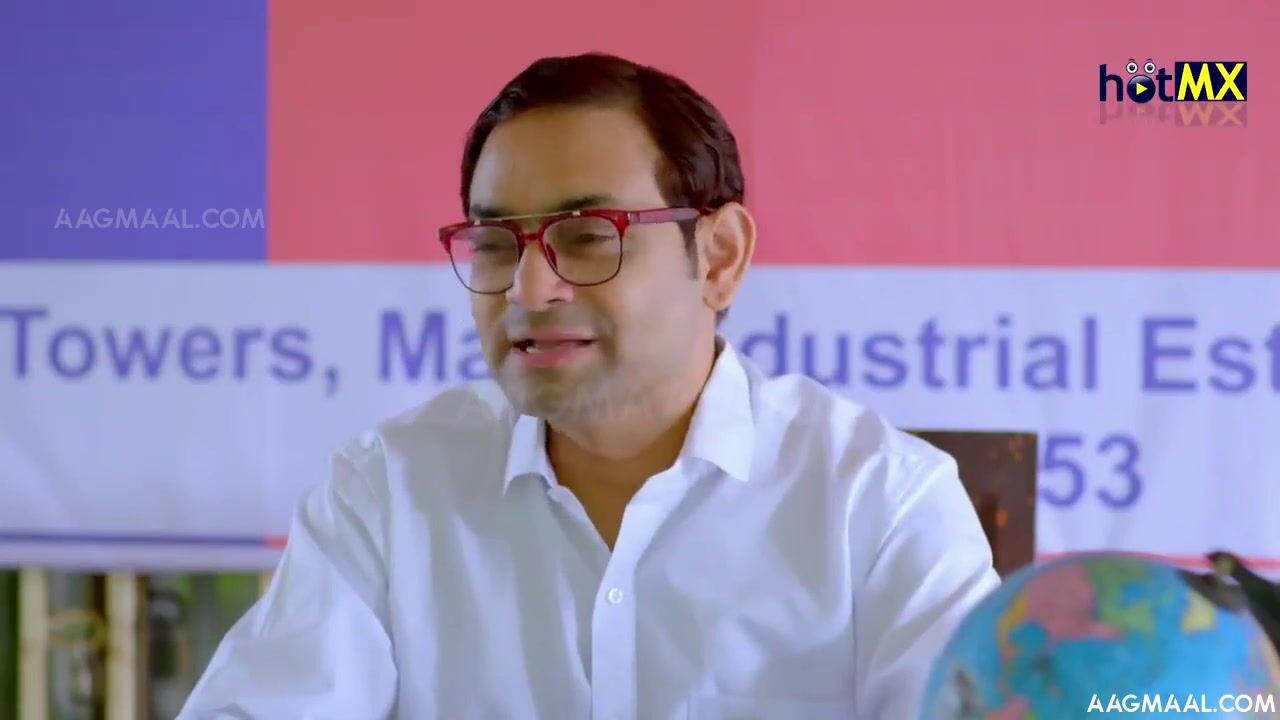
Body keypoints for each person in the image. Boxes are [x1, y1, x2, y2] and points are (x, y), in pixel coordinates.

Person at [179, 52, 1000, 719]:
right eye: (495, 243)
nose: (529, 290)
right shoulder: (390, 491)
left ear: (719, 258)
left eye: (587, 236)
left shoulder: (879, 503)